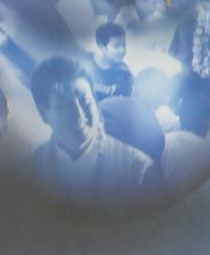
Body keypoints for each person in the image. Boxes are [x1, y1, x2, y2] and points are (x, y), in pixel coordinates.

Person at [30, 57, 152, 204]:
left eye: (85, 100)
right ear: (43, 114)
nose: (78, 114)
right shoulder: (31, 170)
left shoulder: (136, 170)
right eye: (65, 105)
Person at [84, 22, 134, 102]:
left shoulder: (125, 74)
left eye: (124, 45)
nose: (122, 50)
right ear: (101, 46)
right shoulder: (84, 62)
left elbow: (125, 102)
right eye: (116, 46)